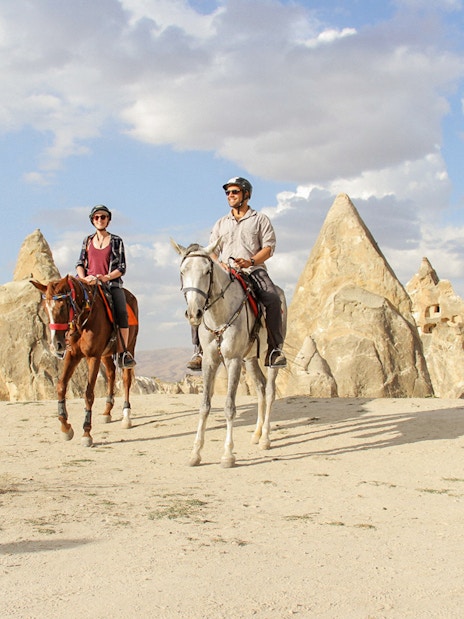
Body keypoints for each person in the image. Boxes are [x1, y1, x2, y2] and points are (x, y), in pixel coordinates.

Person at [187, 176, 286, 370]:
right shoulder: (221, 223)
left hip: (252, 270)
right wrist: (220, 264)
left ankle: (274, 350)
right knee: (196, 298)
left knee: (273, 298)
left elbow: (268, 248)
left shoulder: (260, 220)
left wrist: (250, 261)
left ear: (246, 195)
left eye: (235, 192)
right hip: (225, 272)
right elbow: (212, 252)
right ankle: (199, 351)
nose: (230, 196)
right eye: (228, 193)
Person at [76, 204, 136, 369]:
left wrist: (106, 277)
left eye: (103, 217)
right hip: (88, 283)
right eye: (97, 217)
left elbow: (121, 267)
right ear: (92, 220)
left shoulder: (116, 241)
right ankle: (66, 342)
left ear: (108, 220)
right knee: (68, 304)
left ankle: (124, 353)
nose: (100, 220)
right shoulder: (87, 240)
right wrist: (84, 278)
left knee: (123, 312)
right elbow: (80, 263)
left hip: (110, 284)